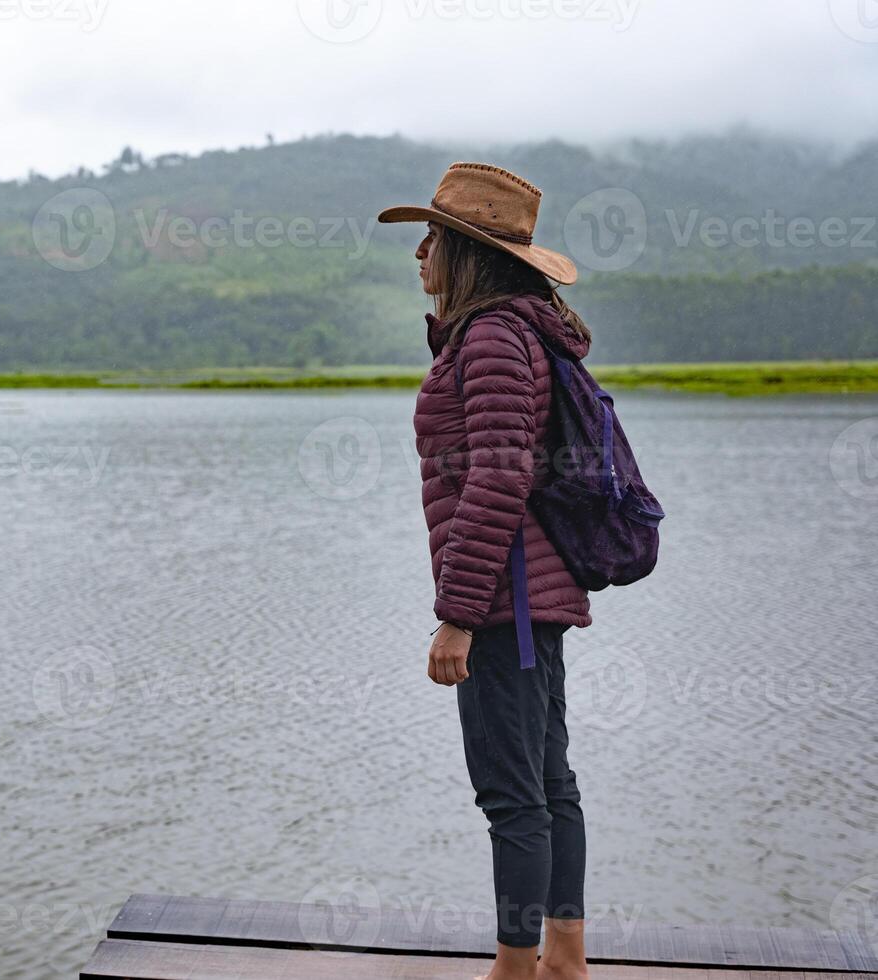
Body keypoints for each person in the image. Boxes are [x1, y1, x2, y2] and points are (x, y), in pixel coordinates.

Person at [379, 162, 595, 980]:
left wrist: (456, 615)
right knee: (546, 783)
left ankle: (515, 969)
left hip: (504, 601)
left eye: (433, 236)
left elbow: (499, 474)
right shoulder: (509, 331)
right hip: (527, 594)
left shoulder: (495, 337)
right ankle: (563, 960)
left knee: (513, 795)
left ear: (469, 255)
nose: (421, 252)